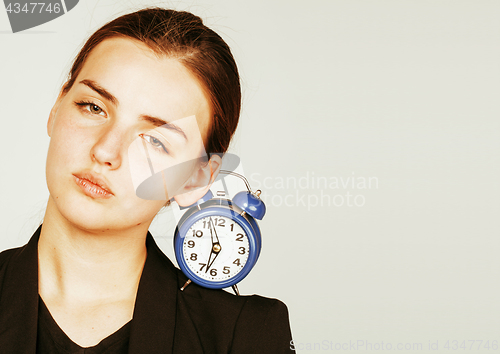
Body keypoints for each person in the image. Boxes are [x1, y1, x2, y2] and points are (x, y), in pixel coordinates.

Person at [0, 8, 294, 353]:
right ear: (57, 107)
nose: (106, 151)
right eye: (93, 107)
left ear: (196, 177)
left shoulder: (243, 334)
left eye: (155, 140)